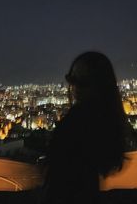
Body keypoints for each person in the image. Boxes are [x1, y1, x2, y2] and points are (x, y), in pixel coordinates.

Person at [40, 52, 128, 204]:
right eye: (72, 80)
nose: (75, 87)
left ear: (100, 84)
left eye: (84, 82)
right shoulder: (105, 118)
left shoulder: (80, 118)